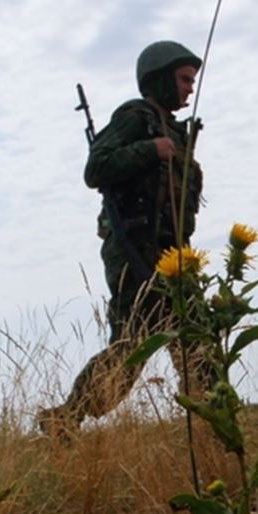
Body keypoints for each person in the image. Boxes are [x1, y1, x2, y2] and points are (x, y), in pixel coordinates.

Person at [39, 41, 207, 433]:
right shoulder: (135, 118)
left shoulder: (175, 131)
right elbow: (96, 168)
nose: (190, 88)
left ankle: (211, 425)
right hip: (135, 250)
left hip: (173, 255)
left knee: (199, 341)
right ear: (160, 79)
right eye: (184, 79)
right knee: (132, 346)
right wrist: (149, 150)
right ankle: (66, 417)